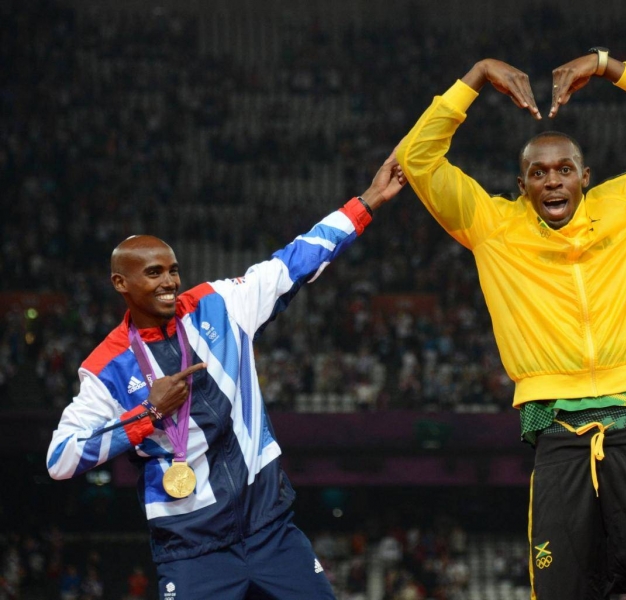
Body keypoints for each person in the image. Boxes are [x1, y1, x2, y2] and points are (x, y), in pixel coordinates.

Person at [396, 50, 626, 599]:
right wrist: (473, 78)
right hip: (558, 437)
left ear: (585, 177)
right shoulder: (492, 226)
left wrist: (609, 66)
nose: (552, 182)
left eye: (564, 169)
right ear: (522, 185)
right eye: (538, 173)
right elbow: (417, 159)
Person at [46, 151, 406, 600]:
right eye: (153, 273)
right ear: (121, 284)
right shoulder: (106, 368)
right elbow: (60, 458)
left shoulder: (219, 304)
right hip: (191, 551)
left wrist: (367, 201)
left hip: (271, 530)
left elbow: (294, 260)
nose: (168, 282)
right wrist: (149, 413)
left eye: (173, 270)